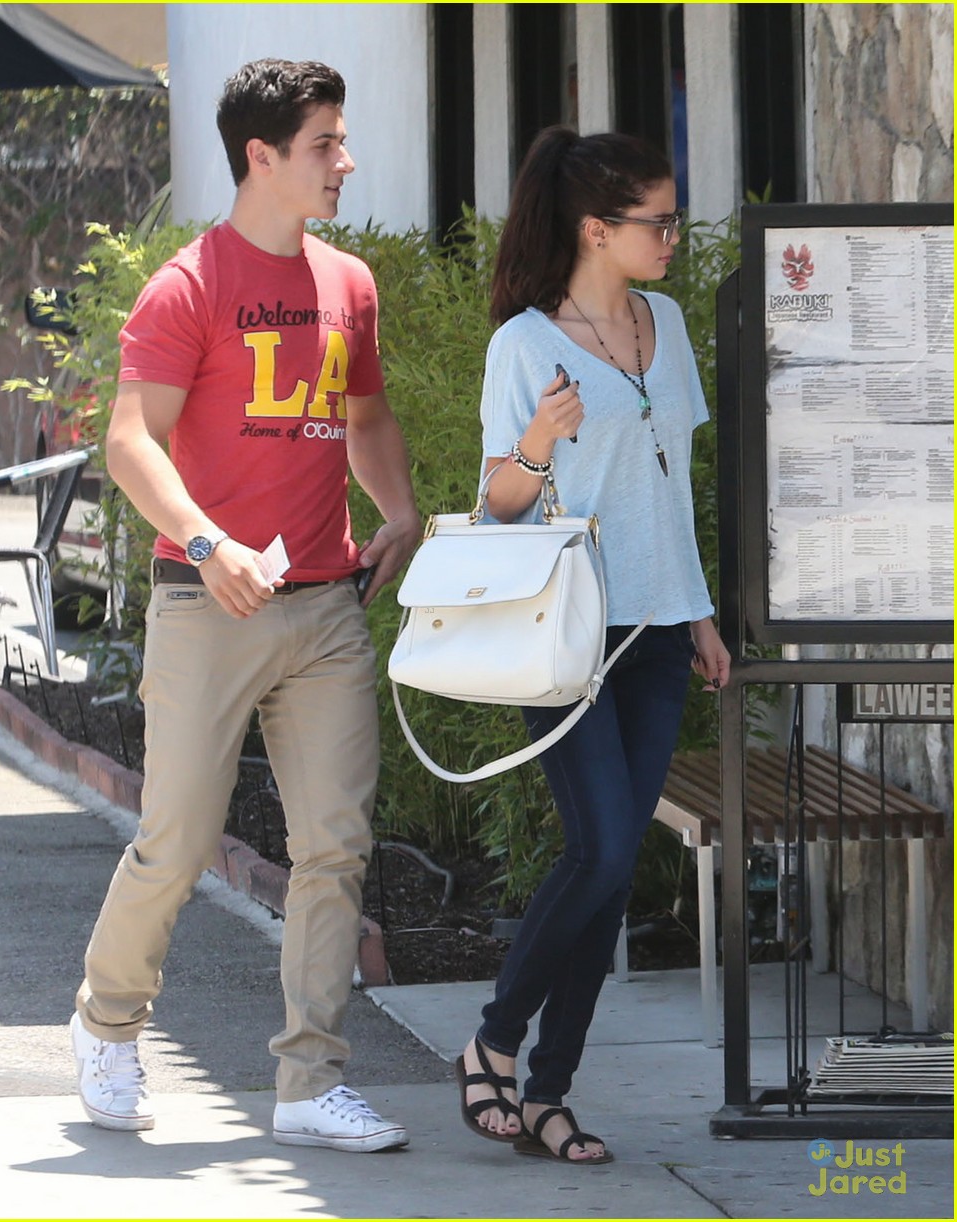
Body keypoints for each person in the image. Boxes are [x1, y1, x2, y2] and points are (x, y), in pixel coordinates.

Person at [70, 58, 421, 1153]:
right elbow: (131, 440)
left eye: (341, 140)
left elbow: (364, 416)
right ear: (260, 156)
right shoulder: (189, 284)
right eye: (325, 144)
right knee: (176, 843)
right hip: (206, 600)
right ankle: (107, 1023)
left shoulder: (348, 283)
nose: (345, 161)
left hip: (324, 609)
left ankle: (309, 1082)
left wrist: (399, 510)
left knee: (335, 848)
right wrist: (207, 540)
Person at [456, 127, 731, 1164]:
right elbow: (497, 504)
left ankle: (547, 1093)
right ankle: (492, 1039)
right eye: (656, 220)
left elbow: (670, 485)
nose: (671, 236)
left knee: (611, 872)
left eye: (672, 218)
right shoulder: (525, 345)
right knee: (603, 847)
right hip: (568, 630)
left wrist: (697, 612)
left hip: (658, 631)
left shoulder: (666, 323)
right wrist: (538, 442)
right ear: (594, 229)